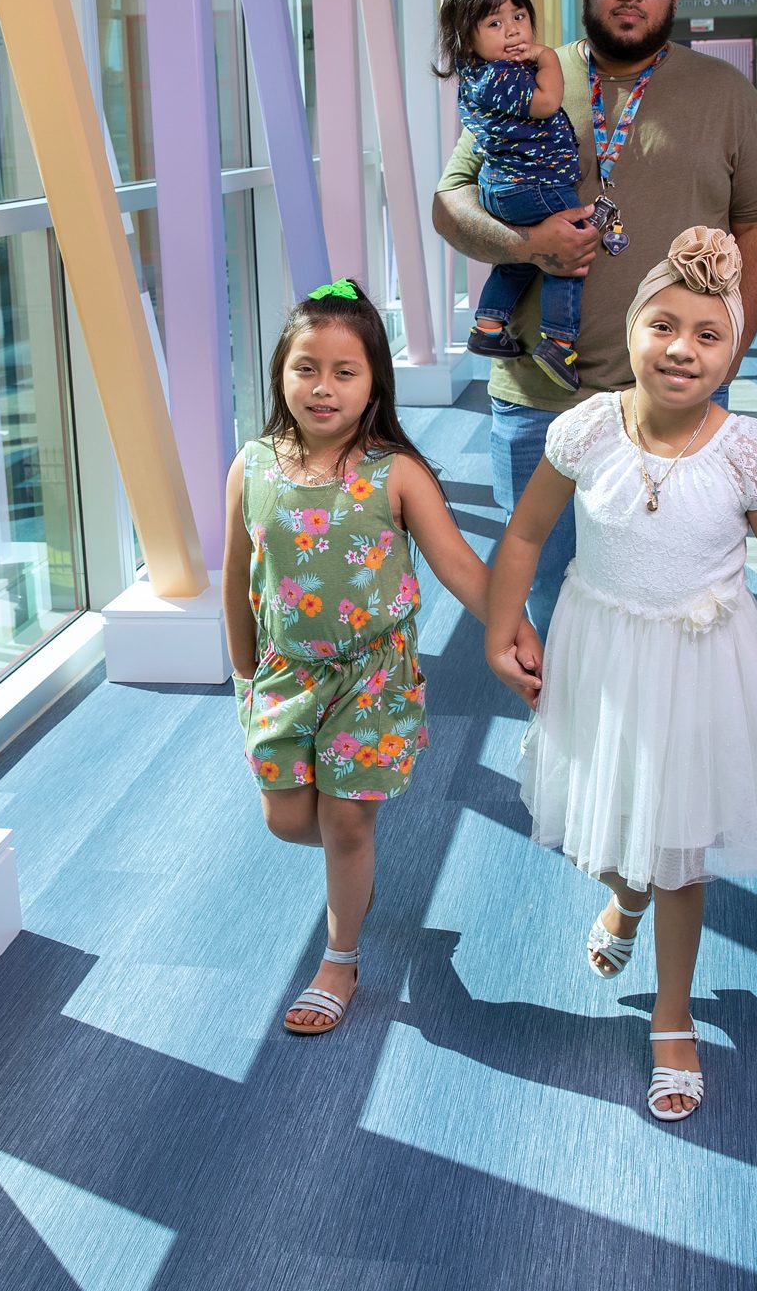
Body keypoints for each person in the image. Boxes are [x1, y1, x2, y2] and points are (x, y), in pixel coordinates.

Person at [485, 228, 757, 1122]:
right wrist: (505, 627)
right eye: (663, 325)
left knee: (680, 847)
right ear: (635, 325)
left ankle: (672, 1012)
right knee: (620, 829)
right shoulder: (584, 428)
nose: (681, 348)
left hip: (700, 669)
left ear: (731, 350)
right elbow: (528, 534)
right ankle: (621, 902)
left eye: (706, 334)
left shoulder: (747, 452)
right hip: (604, 657)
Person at [434, 0, 757, 629]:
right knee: (547, 594)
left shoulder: (726, 93)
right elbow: (450, 203)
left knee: (672, 603)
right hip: (539, 399)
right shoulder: (526, 73)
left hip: (672, 403)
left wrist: (731, 352)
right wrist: (530, 244)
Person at [222, 279, 541, 1037]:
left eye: (344, 371)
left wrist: (515, 627)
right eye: (306, 368)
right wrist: (243, 679)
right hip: (283, 677)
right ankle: (348, 841)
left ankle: (339, 956)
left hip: (373, 676)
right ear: (280, 375)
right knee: (284, 817)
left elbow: (463, 566)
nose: (322, 387)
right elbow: (236, 581)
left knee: (345, 823)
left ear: (373, 385)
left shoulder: (395, 472)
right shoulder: (252, 466)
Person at [433, 0, 587, 392]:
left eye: (519, 17)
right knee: (567, 254)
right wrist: (548, 56)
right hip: (532, 183)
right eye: (495, 24)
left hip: (505, 186)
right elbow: (547, 102)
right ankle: (558, 339)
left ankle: (487, 326)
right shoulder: (500, 75)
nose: (514, 32)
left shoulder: (481, 74)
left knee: (520, 260)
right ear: (468, 39)